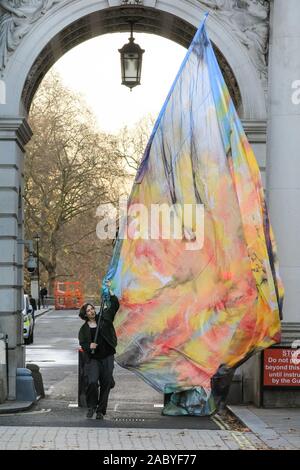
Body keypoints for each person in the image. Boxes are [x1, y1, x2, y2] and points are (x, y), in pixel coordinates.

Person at [78, 288, 119, 420]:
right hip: (94, 359)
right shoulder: (83, 330)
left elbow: (114, 305)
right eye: (88, 311)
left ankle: (101, 410)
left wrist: (111, 292)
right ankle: (92, 406)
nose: (91, 312)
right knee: (92, 382)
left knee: (106, 383)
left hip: (107, 356)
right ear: (85, 315)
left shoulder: (104, 318)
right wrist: (89, 346)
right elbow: (83, 343)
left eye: (92, 309)